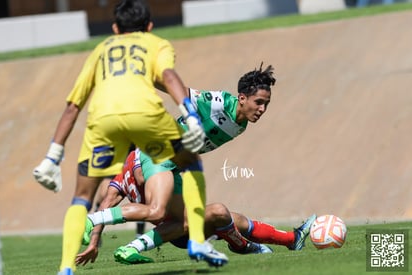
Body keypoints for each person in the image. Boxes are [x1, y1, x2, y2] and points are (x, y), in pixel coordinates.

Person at [32, 1, 226, 274]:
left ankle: (65, 268)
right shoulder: (157, 44)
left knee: (81, 198)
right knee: (190, 162)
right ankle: (196, 240)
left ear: (114, 28)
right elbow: (169, 76)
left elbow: (72, 107)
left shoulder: (100, 51)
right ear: (149, 26)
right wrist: (191, 116)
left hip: (102, 120)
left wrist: (52, 156)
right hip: (145, 114)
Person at [76, 63, 315, 263]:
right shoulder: (219, 103)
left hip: (174, 166)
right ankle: (243, 246)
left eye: (267, 104)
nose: (263, 109)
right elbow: (179, 90)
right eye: (259, 102)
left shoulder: (242, 122)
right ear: (242, 98)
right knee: (163, 210)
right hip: (161, 153)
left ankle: (286, 241)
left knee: (220, 217)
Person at [75, 148, 276, 266]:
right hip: (178, 226)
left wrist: (93, 242)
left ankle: (287, 240)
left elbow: (104, 206)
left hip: (171, 231)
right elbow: (140, 175)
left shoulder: (118, 181)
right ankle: (249, 246)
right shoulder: (142, 155)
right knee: (220, 213)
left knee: (229, 218)